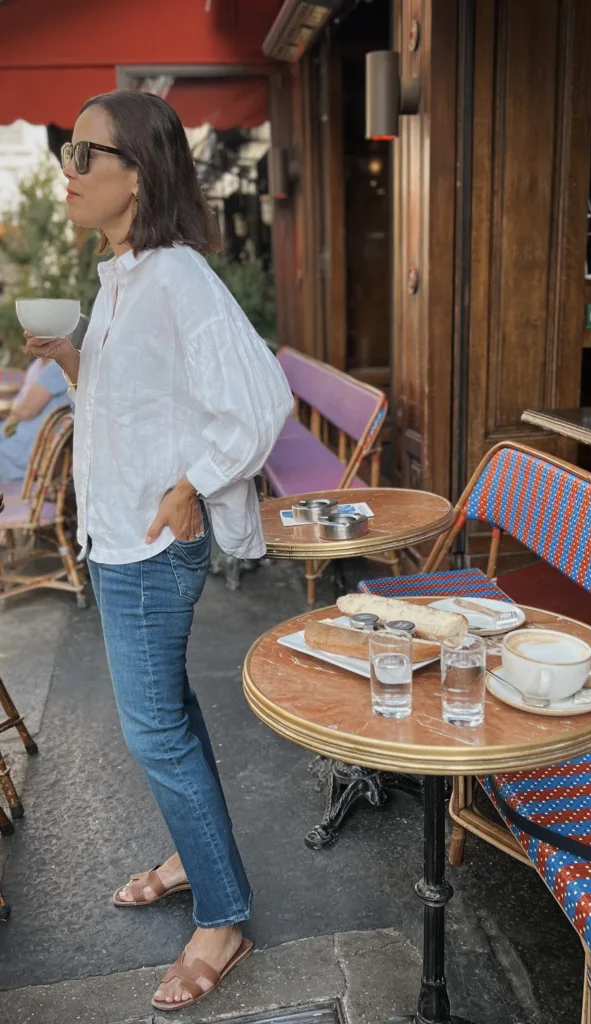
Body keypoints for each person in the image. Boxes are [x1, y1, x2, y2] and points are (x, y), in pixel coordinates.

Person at [23, 91, 293, 1012]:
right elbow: (133, 397)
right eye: (68, 150)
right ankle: (193, 852)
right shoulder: (123, 277)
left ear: (140, 173)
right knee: (169, 718)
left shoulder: (177, 276)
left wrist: (195, 482)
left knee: (153, 731)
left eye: (84, 154)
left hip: (147, 546)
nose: (69, 171)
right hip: (119, 535)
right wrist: (70, 358)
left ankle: (222, 918)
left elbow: (259, 402)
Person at [0, 357, 69, 481]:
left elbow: (26, 411)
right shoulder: (79, 364)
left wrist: (13, 410)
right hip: (52, 442)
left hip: (34, 445)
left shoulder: (58, 366)